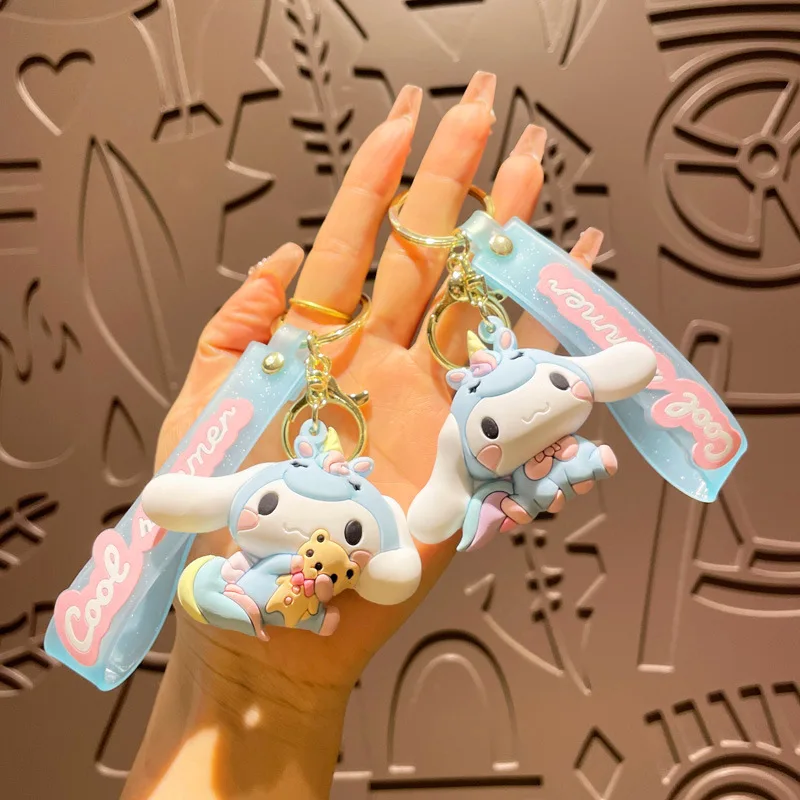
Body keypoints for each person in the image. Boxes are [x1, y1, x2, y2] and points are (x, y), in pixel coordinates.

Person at [122, 71, 602, 800]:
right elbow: (189, 505)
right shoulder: (284, 512)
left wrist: (264, 688)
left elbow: (385, 559)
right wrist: (242, 673)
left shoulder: (376, 516)